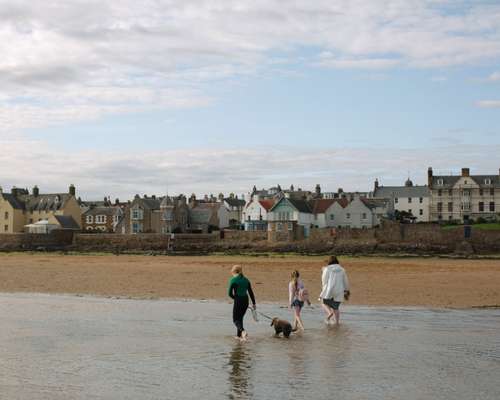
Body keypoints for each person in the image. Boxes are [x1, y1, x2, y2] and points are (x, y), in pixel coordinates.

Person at [228, 265, 256, 341]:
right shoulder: (246, 280)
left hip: (238, 301)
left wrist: (235, 299)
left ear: (233, 272)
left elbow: (229, 294)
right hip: (245, 301)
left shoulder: (233, 280)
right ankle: (239, 336)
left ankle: (243, 331)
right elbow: (251, 292)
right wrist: (254, 303)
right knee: (240, 319)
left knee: (235, 320)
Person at [319, 256, 350, 325]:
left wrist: (323, 289)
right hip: (339, 290)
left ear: (329, 262)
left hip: (329, 290)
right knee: (336, 307)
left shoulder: (327, 269)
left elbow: (324, 280)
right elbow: (345, 281)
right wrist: (347, 289)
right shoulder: (342, 269)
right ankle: (336, 323)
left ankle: (330, 314)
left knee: (323, 302)